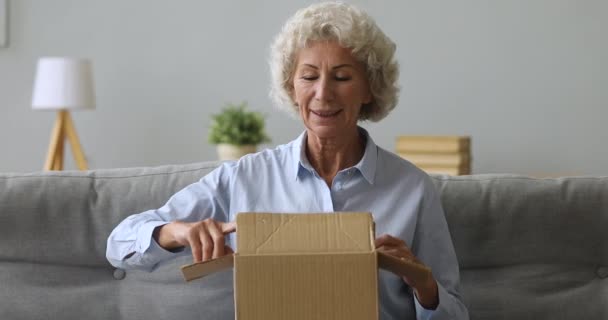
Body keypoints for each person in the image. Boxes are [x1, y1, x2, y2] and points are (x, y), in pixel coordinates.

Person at [107, 2, 469, 319]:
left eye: (342, 77)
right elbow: (119, 245)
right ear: (291, 87)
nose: (322, 93)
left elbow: (454, 312)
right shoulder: (245, 178)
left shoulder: (412, 189)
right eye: (308, 76)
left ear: (369, 88)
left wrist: (424, 285)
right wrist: (176, 231)